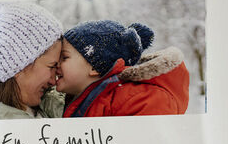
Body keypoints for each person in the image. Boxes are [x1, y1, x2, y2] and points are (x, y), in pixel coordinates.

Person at [55, 20, 189, 117]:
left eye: (65, 57)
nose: (56, 63)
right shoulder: (74, 98)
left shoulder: (138, 100)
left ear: (94, 67)